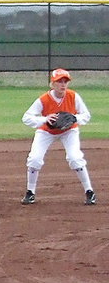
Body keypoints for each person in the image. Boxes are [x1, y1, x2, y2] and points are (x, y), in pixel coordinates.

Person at [21, 68, 96, 206]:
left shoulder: (73, 96)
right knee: (34, 159)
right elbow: (26, 117)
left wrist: (75, 118)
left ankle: (89, 191)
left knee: (75, 158)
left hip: (69, 131)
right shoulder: (44, 99)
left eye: (65, 81)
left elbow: (86, 115)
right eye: (59, 81)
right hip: (46, 131)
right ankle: (30, 192)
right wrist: (44, 119)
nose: (63, 84)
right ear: (53, 84)